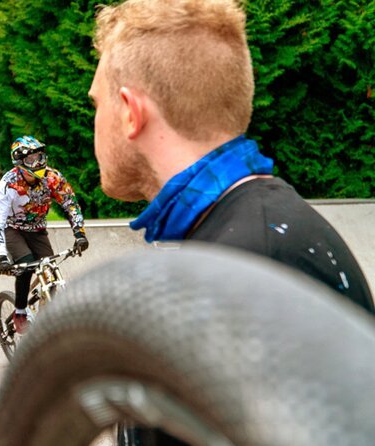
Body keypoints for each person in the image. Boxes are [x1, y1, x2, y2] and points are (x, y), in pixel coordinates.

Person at [90, 0, 374, 443]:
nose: (95, 121)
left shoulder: (256, 264)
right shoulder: (247, 232)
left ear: (129, 111)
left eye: (96, 104)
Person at [0, 135, 89, 334]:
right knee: (26, 264)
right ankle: (20, 311)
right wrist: (1, 256)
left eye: (39, 157)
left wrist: (79, 234)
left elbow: (71, 204)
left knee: (49, 268)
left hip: (37, 230)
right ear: (19, 162)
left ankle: (46, 315)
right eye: (30, 160)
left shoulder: (52, 178)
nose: (37, 163)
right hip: (12, 229)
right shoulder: (9, 184)